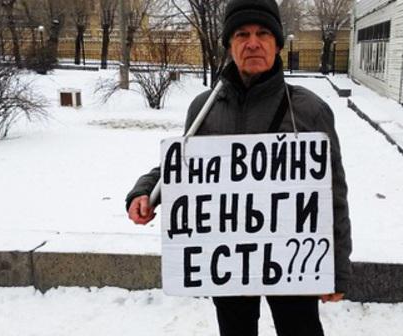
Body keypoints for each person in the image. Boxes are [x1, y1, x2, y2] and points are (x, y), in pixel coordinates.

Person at [125, 0, 353, 335]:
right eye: (242, 34)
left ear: (277, 43)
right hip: (228, 258)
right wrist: (146, 191)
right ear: (230, 45)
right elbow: (181, 168)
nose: (253, 43)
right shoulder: (205, 107)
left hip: (290, 259)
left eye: (263, 33)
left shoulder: (309, 110)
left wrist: (337, 269)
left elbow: (333, 195)